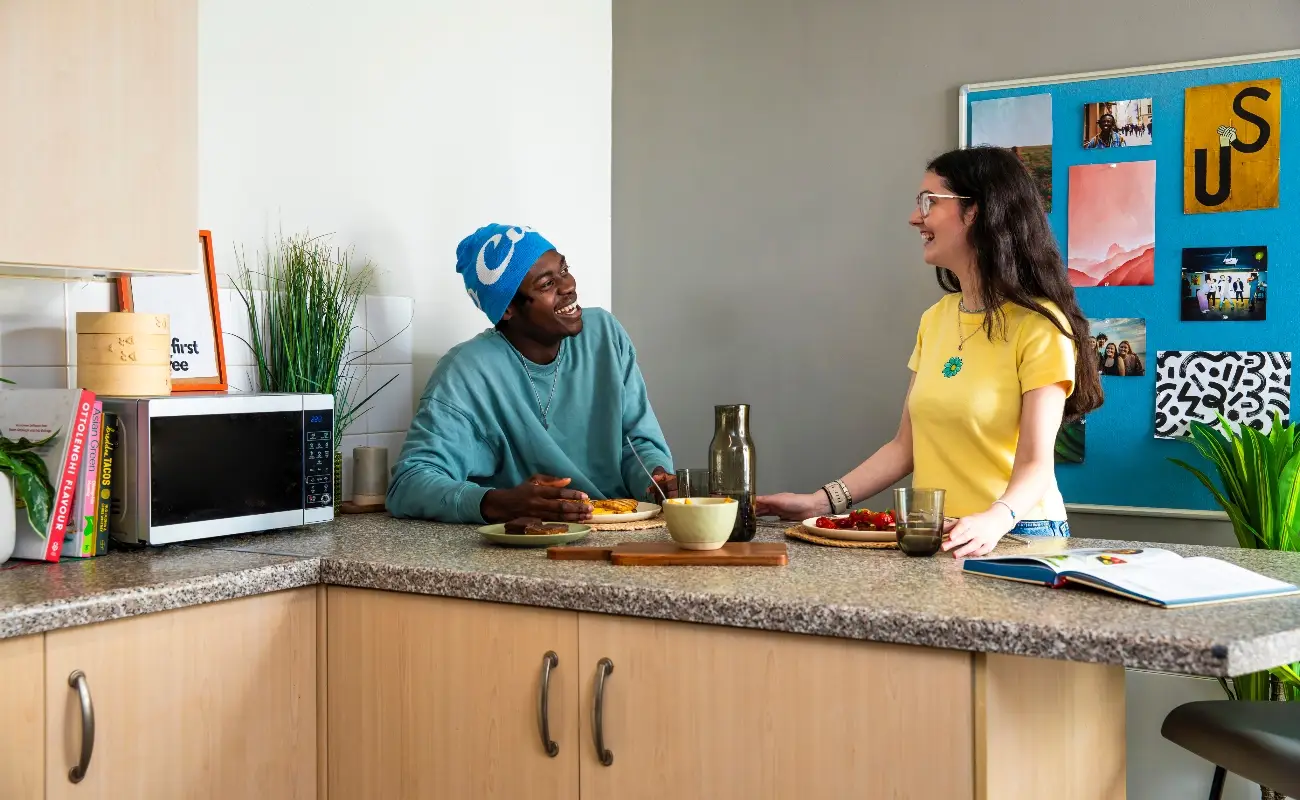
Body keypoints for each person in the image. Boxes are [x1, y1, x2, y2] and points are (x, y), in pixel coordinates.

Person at [756, 146, 1103, 557]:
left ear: (976, 210)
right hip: (938, 531)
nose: (914, 216)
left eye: (929, 202)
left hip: (1017, 531)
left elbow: (1035, 463)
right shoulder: (935, 320)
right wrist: (819, 503)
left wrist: (994, 518)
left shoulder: (1041, 325)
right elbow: (906, 446)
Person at [385, 223, 676, 524]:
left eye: (564, 269)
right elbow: (409, 483)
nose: (568, 286)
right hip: (536, 543)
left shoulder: (603, 334)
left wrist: (656, 479)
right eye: (547, 284)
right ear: (508, 308)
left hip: (624, 530)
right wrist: (500, 504)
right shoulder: (468, 371)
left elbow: (638, 441)